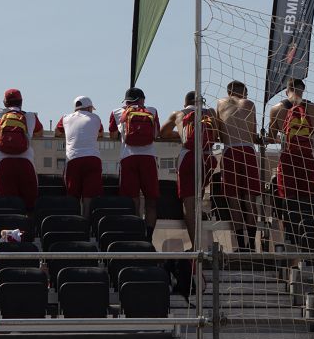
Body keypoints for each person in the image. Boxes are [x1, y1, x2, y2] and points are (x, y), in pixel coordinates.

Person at [161, 91, 218, 244]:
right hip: (208, 157)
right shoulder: (211, 112)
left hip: (189, 156)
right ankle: (205, 242)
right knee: (198, 198)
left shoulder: (178, 113)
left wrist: (179, 134)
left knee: (189, 203)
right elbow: (217, 134)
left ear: (185, 103)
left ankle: (196, 245)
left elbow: (163, 132)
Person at [109, 87, 161, 237]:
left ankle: (136, 233)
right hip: (148, 158)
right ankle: (149, 236)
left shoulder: (116, 112)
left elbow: (113, 135)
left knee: (132, 199)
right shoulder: (152, 110)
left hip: (128, 158)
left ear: (126, 101)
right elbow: (156, 134)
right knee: (151, 200)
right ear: (142, 99)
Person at [216, 80, 261, 251]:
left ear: (229, 92)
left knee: (233, 200)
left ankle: (241, 245)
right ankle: (252, 245)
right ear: (243, 92)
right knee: (249, 200)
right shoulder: (249, 104)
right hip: (247, 151)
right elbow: (252, 132)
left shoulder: (220, 103)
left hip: (230, 152)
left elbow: (220, 132)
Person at [267, 78, 314, 217]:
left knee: (287, 196)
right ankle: (307, 228)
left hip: (287, 158)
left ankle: (289, 231)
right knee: (307, 196)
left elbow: (271, 138)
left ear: (287, 91)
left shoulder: (276, 109)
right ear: (303, 90)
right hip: (306, 158)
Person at [0, 88, 43, 210]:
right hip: (26, 163)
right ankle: (28, 228)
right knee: (30, 206)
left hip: (3, 164)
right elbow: (39, 133)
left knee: (6, 206)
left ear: (5, 102)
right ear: (21, 102)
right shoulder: (31, 116)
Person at [54, 96, 103, 217]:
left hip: (73, 159)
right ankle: (86, 223)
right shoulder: (96, 118)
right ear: (89, 108)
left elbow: (57, 132)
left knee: (73, 195)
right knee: (89, 196)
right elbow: (100, 133)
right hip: (93, 158)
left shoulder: (65, 118)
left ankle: (74, 222)